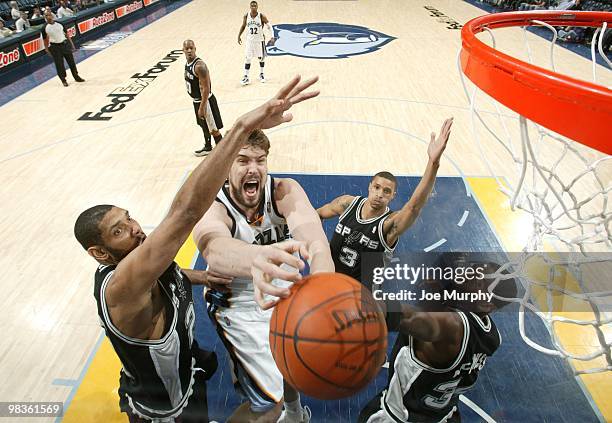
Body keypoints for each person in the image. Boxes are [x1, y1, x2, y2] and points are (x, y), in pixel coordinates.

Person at [73, 75, 320, 422]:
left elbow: (170, 272)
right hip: (165, 409)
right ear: (101, 253)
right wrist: (241, 127)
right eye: (119, 231)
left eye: (128, 217)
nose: (135, 228)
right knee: (267, 404)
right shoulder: (124, 284)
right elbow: (186, 214)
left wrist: (202, 276)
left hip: (188, 370)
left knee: (250, 370)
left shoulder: (142, 268)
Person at [193, 128, 332, 422]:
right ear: (226, 163)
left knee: (292, 359)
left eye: (261, 160)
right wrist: (256, 259)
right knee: (269, 406)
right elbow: (214, 249)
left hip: (282, 290)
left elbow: (317, 244)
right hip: (239, 303)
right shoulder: (213, 204)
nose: (253, 168)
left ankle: (295, 413)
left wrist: (322, 288)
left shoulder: (283, 190)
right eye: (242, 160)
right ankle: (279, 408)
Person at [357, 258, 517, 423]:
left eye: (478, 281)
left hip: (400, 417)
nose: (467, 273)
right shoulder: (492, 335)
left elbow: (406, 316)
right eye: (474, 268)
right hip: (441, 415)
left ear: (486, 304)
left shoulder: (452, 326)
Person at [316, 118, 453, 289]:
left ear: (393, 196)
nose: (379, 194)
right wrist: (316, 245)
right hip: (330, 282)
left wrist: (433, 163)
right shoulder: (347, 204)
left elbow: (414, 207)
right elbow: (317, 214)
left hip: (360, 295)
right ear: (369, 187)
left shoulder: (388, 225)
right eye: (377, 187)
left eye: (386, 191)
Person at [182, 39, 224, 157]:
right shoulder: (188, 64)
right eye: (187, 49)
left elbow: (206, 88)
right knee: (203, 125)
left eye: (191, 48)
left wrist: (202, 106)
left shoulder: (200, 66)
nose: (189, 50)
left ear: (195, 48)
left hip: (205, 101)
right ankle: (208, 147)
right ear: (183, 50)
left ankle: (222, 152)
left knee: (213, 128)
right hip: (197, 101)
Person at [42, 9, 84, 87]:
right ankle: (63, 80)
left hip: (64, 45)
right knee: (59, 65)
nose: (48, 16)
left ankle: (76, 76)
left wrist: (72, 45)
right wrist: (46, 49)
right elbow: (45, 40)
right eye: (46, 15)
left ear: (52, 15)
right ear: (45, 17)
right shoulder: (44, 28)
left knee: (71, 62)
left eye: (49, 14)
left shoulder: (60, 24)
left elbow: (67, 35)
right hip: (55, 47)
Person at [237, 0, 275, 85]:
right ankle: (246, 77)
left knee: (261, 58)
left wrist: (272, 36)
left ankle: (261, 74)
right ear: (250, 7)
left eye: (255, 6)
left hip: (259, 41)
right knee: (247, 58)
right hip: (250, 41)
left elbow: (270, 26)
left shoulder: (261, 16)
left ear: (257, 7)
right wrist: (239, 35)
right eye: (252, 6)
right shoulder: (246, 16)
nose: (253, 7)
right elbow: (243, 26)